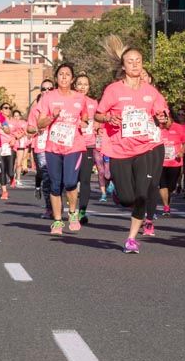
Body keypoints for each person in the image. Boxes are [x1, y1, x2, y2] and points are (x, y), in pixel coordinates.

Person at [95, 45, 170, 253]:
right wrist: (109, 117)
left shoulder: (150, 91)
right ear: (123, 66)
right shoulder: (113, 90)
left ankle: (131, 239)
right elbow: (98, 114)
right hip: (119, 149)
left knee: (143, 195)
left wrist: (163, 119)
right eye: (130, 61)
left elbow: (164, 117)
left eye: (138, 60)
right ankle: (120, 193)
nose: (135, 64)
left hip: (145, 148)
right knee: (128, 198)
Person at [33, 64, 91, 235]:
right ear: (56, 78)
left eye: (67, 75)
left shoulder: (80, 98)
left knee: (71, 182)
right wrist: (53, 116)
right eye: (61, 74)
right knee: (55, 185)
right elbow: (40, 123)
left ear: (72, 79)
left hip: (74, 146)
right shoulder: (48, 97)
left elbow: (86, 117)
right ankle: (58, 221)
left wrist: (84, 122)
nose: (64, 77)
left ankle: (72, 213)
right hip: (53, 147)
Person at [154, 117, 185, 233]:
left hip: (175, 162)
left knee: (171, 187)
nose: (164, 122)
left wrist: (182, 152)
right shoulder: (158, 129)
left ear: (171, 119)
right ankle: (166, 206)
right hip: (161, 162)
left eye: (166, 120)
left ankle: (168, 200)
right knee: (162, 184)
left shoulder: (179, 128)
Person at [72, 75, 98, 226]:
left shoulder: (93, 103)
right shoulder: (70, 100)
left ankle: (82, 211)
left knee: (85, 179)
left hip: (88, 145)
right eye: (80, 84)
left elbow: (99, 120)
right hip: (72, 145)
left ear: (89, 87)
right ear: (75, 85)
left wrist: (99, 126)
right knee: (71, 180)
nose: (82, 87)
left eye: (85, 84)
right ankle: (73, 209)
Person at [28, 79, 55, 218]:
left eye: (50, 89)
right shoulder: (35, 109)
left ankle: (59, 205)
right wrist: (37, 128)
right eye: (44, 89)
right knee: (46, 178)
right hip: (42, 146)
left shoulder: (59, 105)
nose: (47, 91)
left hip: (58, 147)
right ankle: (49, 208)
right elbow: (29, 128)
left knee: (58, 179)